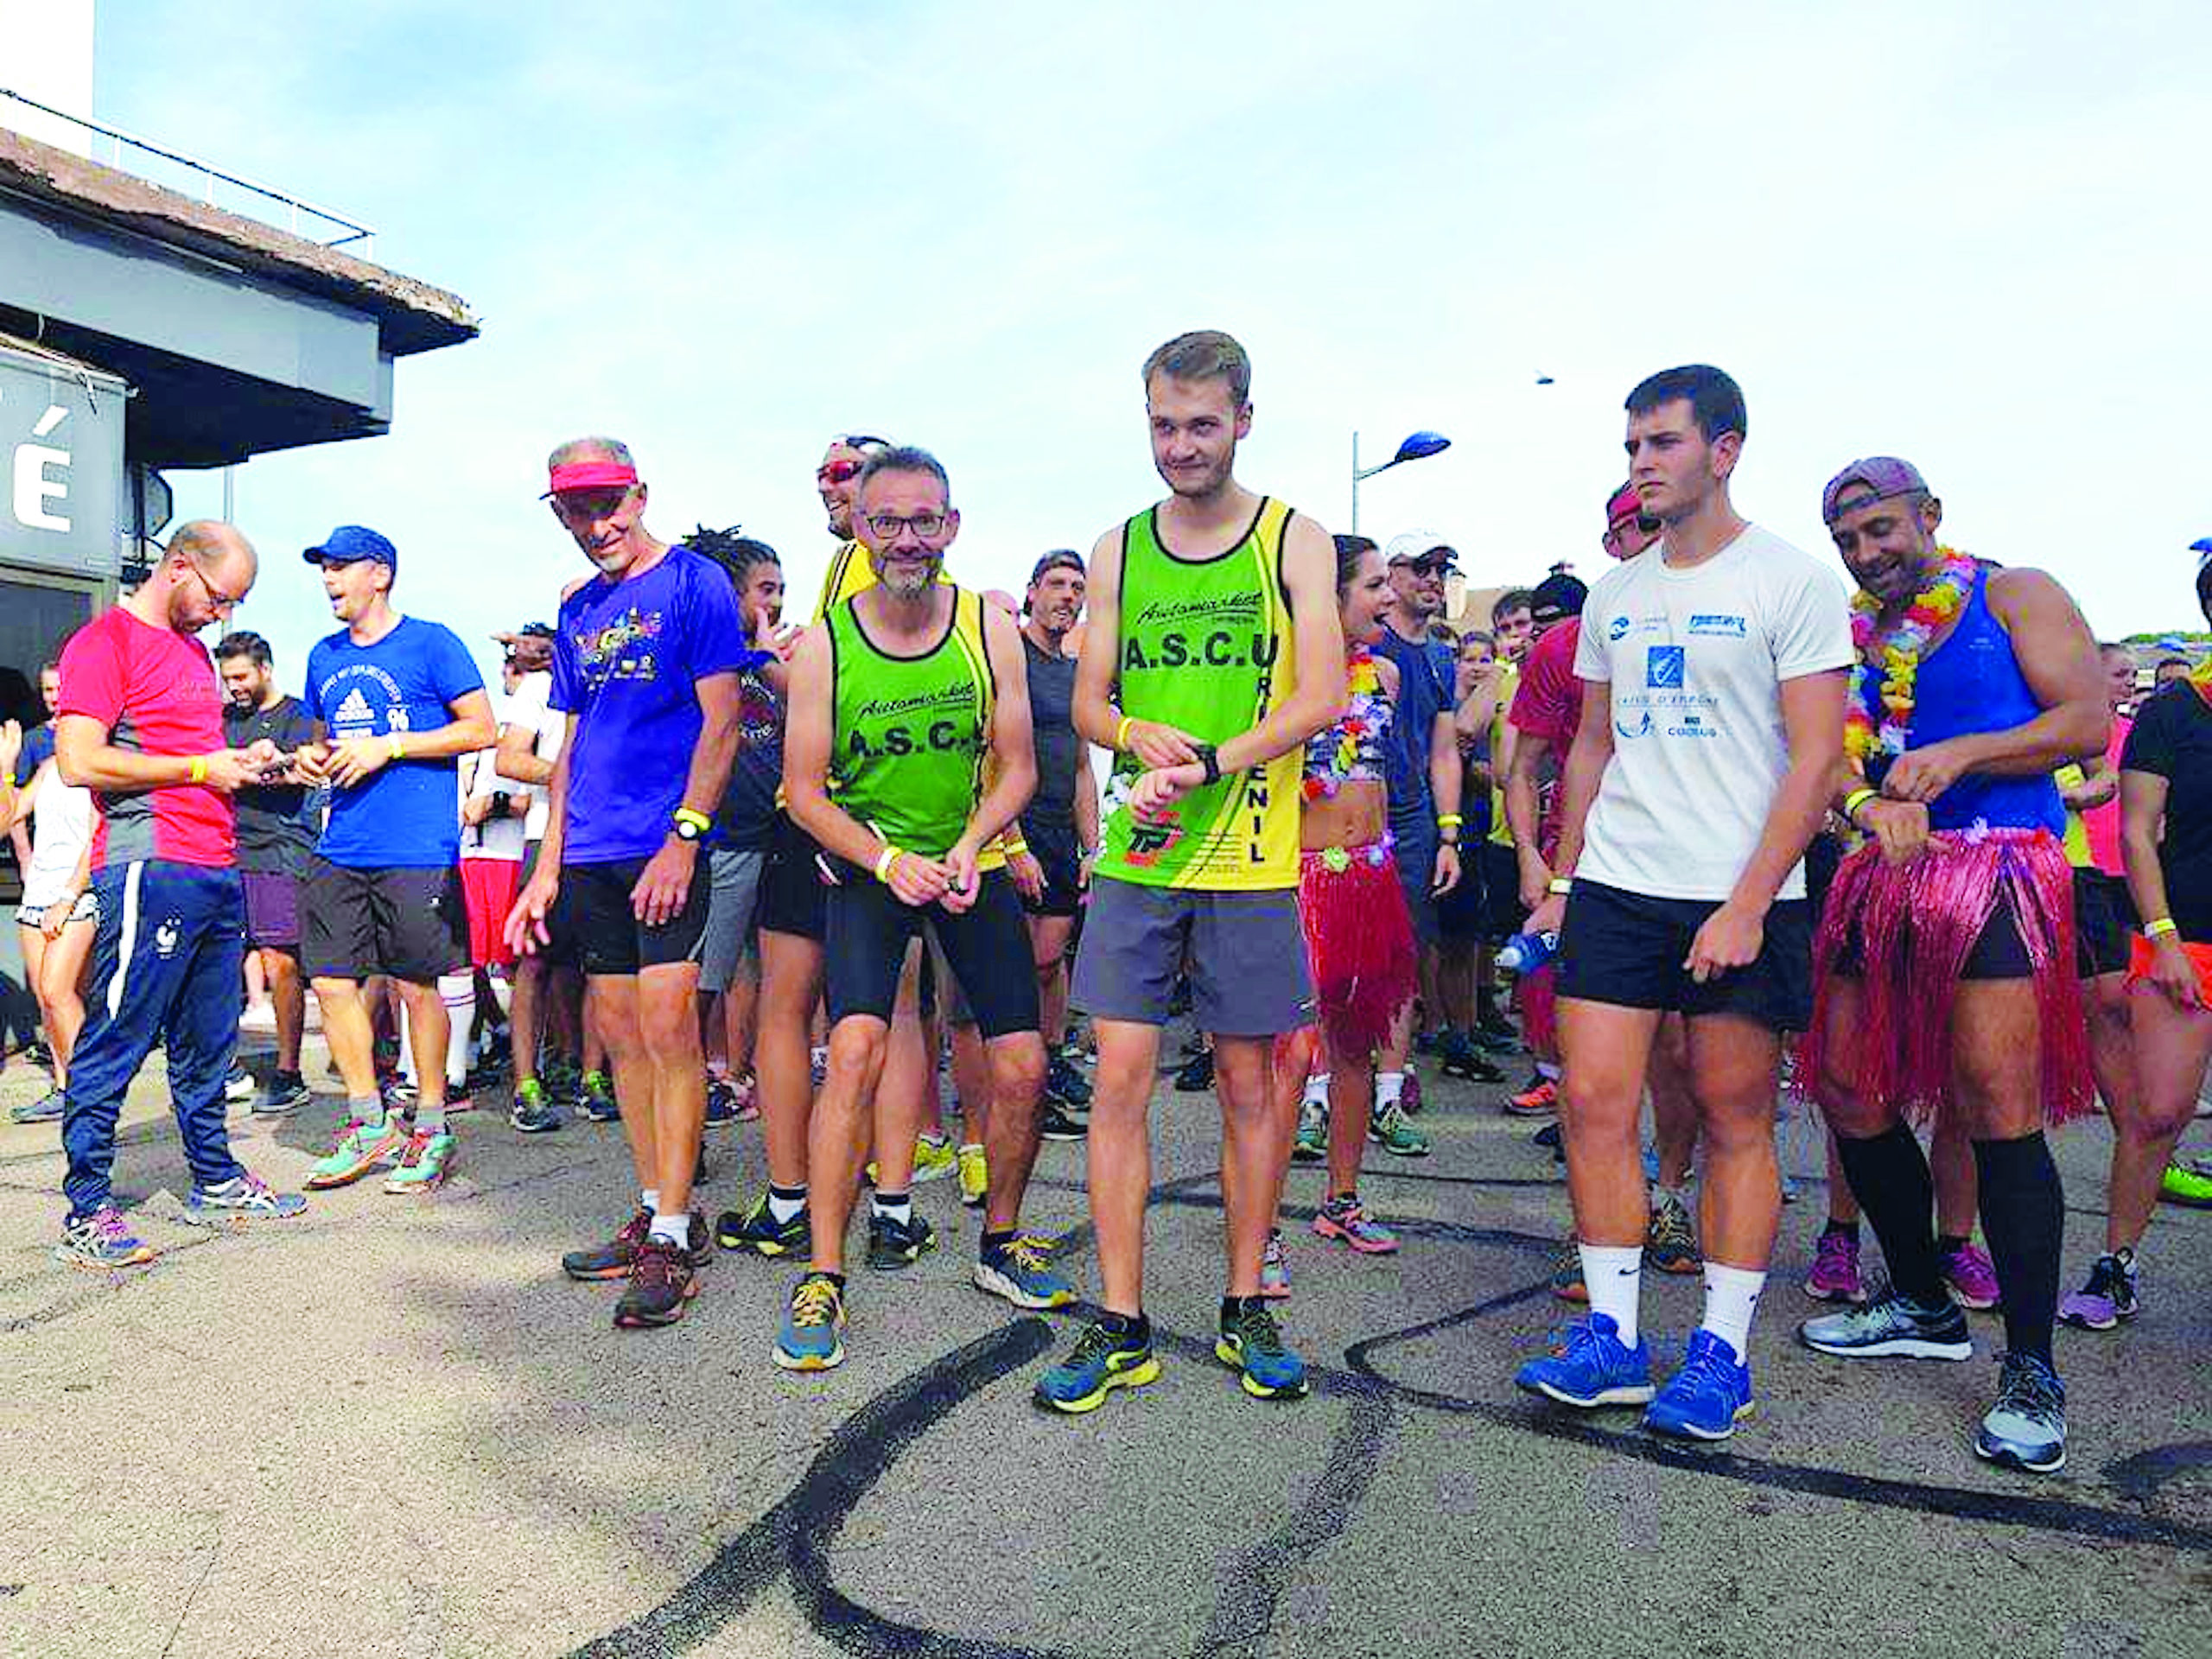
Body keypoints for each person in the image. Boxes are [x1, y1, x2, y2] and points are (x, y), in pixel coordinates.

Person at [1514, 365, 1849, 1443]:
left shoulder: (1790, 582)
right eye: (1630, 448)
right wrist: (1563, 884)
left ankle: (1720, 1352)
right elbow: (1595, 744)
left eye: (1660, 443)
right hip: (1618, 886)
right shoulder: (1615, 594)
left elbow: (1815, 759)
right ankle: (1611, 1336)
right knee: (1594, 1107)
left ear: (1726, 448)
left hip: (1736, 894)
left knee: (1732, 1116)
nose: (1641, 463)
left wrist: (1750, 900)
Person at [1039, 328, 1344, 1414]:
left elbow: (1321, 697)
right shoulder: (1119, 546)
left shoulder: (1290, 538)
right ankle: (1119, 1320)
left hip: (1250, 852)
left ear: (1244, 421)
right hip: (1140, 850)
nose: (1181, 446)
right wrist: (1134, 740)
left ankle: (1242, 1301)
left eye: (1202, 424)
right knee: (1117, 1082)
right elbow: (1088, 704)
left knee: (1250, 1087)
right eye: (1164, 425)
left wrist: (1211, 760)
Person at [1796, 456, 2105, 1476]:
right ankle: (1923, 1300)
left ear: (1929, 515)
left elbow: (2085, 722)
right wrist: (1861, 803)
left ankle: (2030, 1368)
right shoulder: (1852, 636)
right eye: (1847, 541)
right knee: (1844, 1086)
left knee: (1996, 1105)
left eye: (1881, 530)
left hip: (1995, 870)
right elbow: (1826, 757)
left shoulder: (2013, 592)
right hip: (1879, 874)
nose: (1867, 553)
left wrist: (1964, 754)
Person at [768, 445, 1071, 1370]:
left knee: (1020, 1066)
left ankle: (1001, 1240)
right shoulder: (825, 644)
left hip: (964, 858)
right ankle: (823, 1271)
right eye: (886, 521)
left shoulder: (987, 625)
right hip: (873, 865)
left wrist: (975, 845)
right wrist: (886, 859)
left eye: (923, 521)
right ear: (860, 530)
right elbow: (804, 791)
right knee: (854, 1048)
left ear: (951, 525)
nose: (907, 539)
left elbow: (1017, 763)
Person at [509, 437, 746, 1328]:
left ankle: (679, 1230)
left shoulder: (694, 584)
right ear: (558, 513)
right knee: (618, 1034)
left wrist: (685, 838)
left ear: (641, 495)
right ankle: (656, 1207)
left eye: (611, 503)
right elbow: (571, 747)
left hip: (664, 846)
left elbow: (721, 723)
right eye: (577, 509)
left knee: (666, 1029)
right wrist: (544, 868)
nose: (598, 523)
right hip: (592, 853)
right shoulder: (576, 612)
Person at [48, 522, 306, 1267]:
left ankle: (216, 1182)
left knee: (209, 1040)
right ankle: (88, 1211)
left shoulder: (192, 653)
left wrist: (250, 758)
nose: (221, 615)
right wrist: (199, 772)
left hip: (215, 867)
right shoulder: (105, 643)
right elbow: (77, 761)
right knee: (118, 1036)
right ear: (179, 568)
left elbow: (190, 753)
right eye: (218, 598)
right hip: (149, 866)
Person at [1510, 495, 1702, 1292]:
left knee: (1682, 1056)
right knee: (1594, 1072)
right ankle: (1597, 1228)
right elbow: (1525, 765)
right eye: (1636, 528)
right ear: (1611, 540)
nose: (1651, 541)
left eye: (1660, 526)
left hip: (1697, 871)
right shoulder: (1570, 641)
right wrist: (1534, 858)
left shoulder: (1731, 607)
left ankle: (1667, 1198)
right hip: (1594, 871)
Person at [716, 435, 899, 1264]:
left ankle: (804, 1200)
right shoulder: (846, 569)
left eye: (846, 471)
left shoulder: (869, 562)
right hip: (867, 824)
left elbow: (838, 702)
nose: (828, 485)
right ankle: (880, 1203)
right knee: (876, 1013)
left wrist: (759, 653)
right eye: (822, 472)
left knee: (811, 1011)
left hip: (840, 816)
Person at [294, 526, 496, 1198]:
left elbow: (481, 729)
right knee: (329, 982)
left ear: (379, 574)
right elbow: (325, 741)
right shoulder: (323, 655)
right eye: (323, 569)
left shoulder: (432, 642)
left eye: (340, 567)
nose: (328, 580)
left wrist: (392, 746)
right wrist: (309, 760)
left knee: (417, 986)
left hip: (415, 848)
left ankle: (432, 1124)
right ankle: (366, 1118)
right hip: (340, 843)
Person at [1285, 536, 1442, 1255]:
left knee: (1356, 1044)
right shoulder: (1284, 676)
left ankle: (1342, 1200)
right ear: (1330, 595)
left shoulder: (1384, 675)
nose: (1388, 596)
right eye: (1375, 585)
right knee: (1286, 1054)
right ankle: (1259, 1234)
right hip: (1303, 877)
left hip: (1373, 876)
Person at [2070, 567, 2212, 1329]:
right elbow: (2135, 832)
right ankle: (2116, 1262)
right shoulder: (2173, 714)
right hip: (2185, 935)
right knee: (2158, 1111)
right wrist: (2163, 939)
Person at [683, 531, 785, 1128]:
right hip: (720, 841)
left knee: (749, 970)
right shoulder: (713, 662)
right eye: (765, 593)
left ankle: (732, 1076)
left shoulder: (770, 667)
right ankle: (684, 1101)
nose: (775, 606)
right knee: (701, 979)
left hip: (765, 839)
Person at [1374, 531, 1478, 1097]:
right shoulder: (1369, 642)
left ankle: (1395, 1073)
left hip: (1414, 819)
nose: (1433, 580)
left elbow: (1444, 752)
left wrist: (1448, 835)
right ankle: (1329, 1075)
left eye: (1443, 569)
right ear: (1390, 574)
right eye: (1420, 568)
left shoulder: (1441, 657)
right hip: (1354, 813)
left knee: (1406, 947)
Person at [214, 631, 318, 1116]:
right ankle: (221, 1067)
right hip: (225, 850)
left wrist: (272, 762)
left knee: (280, 961)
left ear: (266, 669)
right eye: (227, 676)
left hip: (280, 850)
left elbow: (308, 772)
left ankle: (288, 1070)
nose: (233, 686)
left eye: (240, 676)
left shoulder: (298, 715)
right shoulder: (223, 720)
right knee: (216, 961)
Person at [1016, 550, 1099, 1145]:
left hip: (1059, 832)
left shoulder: (1074, 674)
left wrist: (1093, 847)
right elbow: (992, 755)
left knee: (1050, 960)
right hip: (1013, 833)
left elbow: (1080, 769)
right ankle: (1018, 1088)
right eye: (1058, 585)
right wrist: (1010, 841)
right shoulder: (1010, 658)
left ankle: (1048, 1063)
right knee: (1017, 966)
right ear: (1033, 590)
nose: (1068, 597)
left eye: (1078, 588)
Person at [493, 620, 586, 1133]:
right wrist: (573, 774)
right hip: (543, 837)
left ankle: (587, 1071)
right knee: (533, 964)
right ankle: (525, 1083)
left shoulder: (618, 679)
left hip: (605, 839)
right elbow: (509, 758)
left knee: (593, 968)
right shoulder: (538, 686)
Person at [4, 692, 96, 1127]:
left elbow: (100, 842)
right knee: (47, 997)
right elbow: (7, 818)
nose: (58, 717)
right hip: (37, 894)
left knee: (60, 991)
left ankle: (90, 1096)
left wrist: (67, 898)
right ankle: (65, 1088)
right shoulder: (46, 769)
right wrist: (6, 766)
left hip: (77, 895)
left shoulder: (98, 770)